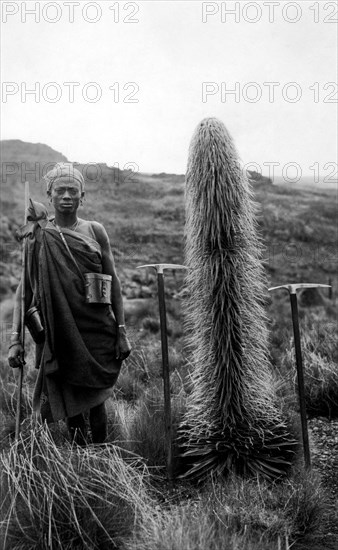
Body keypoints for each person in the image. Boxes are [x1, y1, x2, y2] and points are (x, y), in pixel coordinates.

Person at [8, 163, 131, 444]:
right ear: (49, 195)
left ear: (82, 196)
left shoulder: (95, 231)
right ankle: (80, 462)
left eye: (72, 191)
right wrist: (16, 339)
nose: (66, 196)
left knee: (97, 397)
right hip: (59, 330)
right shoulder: (37, 234)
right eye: (60, 190)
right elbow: (23, 291)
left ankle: (102, 458)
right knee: (71, 401)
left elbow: (113, 281)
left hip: (97, 329)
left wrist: (121, 331)